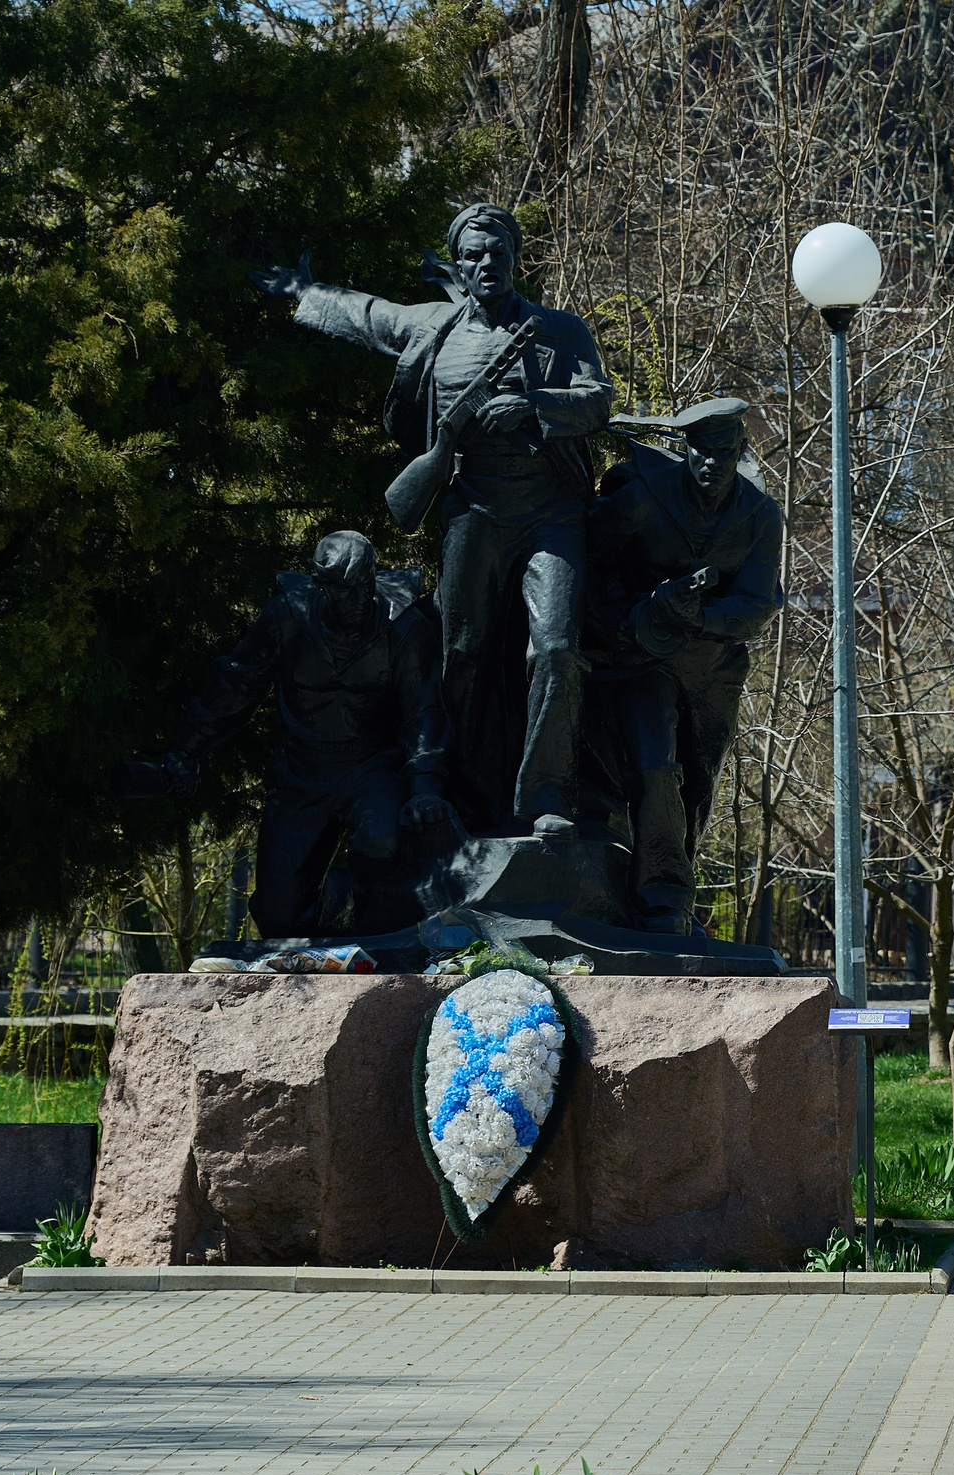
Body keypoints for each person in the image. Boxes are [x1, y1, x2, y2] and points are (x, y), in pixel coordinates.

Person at [251, 204, 614, 836]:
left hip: (550, 516)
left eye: (498, 252)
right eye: (473, 254)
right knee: (462, 657)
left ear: (515, 257)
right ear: (459, 264)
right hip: (470, 513)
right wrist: (306, 292)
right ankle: (463, 795)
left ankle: (547, 795)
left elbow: (598, 399)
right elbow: (371, 316)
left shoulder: (558, 330)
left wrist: (532, 408)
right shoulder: (435, 330)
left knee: (555, 650)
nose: (487, 264)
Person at [145, 531, 452, 937]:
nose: (361, 600)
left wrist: (424, 787)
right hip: (301, 773)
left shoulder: (405, 628)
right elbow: (235, 687)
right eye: (347, 591)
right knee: (278, 918)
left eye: (366, 585)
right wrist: (186, 751)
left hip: (372, 769)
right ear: (322, 587)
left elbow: (424, 711)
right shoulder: (287, 617)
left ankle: (359, 902)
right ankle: (331, 907)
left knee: (382, 840)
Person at [583, 400, 783, 933]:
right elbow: (590, 567)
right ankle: (662, 902)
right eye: (703, 450)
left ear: (740, 452)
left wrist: (694, 615)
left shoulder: (761, 515)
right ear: (685, 450)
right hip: (642, 660)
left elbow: (758, 603)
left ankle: (673, 889)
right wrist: (637, 614)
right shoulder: (643, 496)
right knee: (654, 767)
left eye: (725, 452)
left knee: (697, 785)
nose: (713, 463)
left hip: (713, 668)